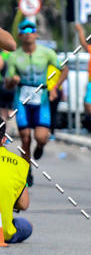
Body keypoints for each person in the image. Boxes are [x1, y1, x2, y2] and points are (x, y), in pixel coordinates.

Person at [4, 21, 68, 184]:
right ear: (19, 35)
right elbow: (7, 83)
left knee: (40, 137)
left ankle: (40, 147)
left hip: (42, 100)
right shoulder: (14, 56)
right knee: (25, 139)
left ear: (36, 34)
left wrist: (55, 88)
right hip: (22, 100)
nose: (28, 33)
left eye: (31, 30)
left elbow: (64, 69)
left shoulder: (47, 53)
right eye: (24, 31)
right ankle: (27, 172)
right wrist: (13, 80)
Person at [0, 115, 32, 243]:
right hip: (3, 232)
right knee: (26, 225)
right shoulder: (19, 164)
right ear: (3, 139)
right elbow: (24, 204)